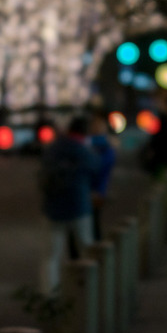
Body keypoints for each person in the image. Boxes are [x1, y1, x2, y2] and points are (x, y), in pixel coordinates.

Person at [38, 117, 101, 295]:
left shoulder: (54, 147)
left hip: (53, 206)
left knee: (50, 255)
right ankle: (90, 290)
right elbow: (96, 166)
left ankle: (49, 294)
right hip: (78, 205)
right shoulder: (82, 149)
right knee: (86, 249)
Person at [86, 112, 118, 241]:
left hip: (95, 189)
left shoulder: (103, 146)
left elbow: (104, 169)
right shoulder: (89, 143)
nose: (97, 128)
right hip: (89, 189)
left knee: (93, 222)